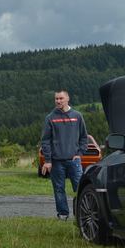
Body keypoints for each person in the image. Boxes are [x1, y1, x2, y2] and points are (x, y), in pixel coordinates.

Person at [40, 90, 88, 221]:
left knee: (80, 188)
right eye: (56, 99)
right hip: (56, 162)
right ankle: (63, 215)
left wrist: (80, 154)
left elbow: (84, 137)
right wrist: (48, 160)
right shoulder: (50, 117)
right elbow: (45, 141)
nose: (58, 101)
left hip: (74, 161)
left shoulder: (77, 116)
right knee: (59, 189)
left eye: (61, 98)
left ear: (67, 99)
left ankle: (83, 214)